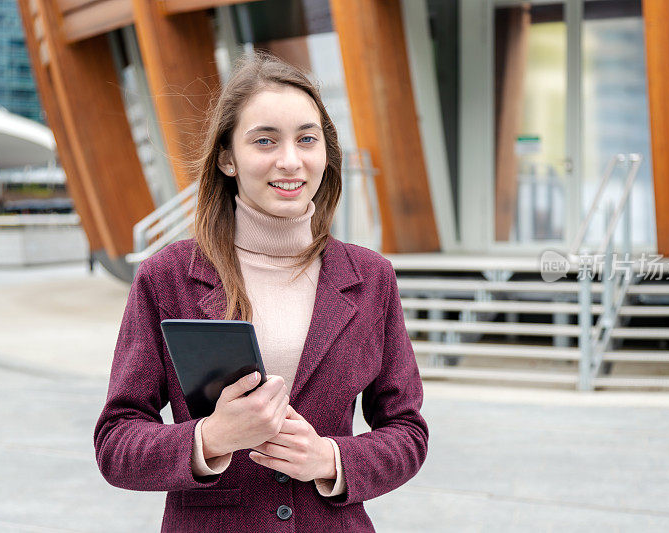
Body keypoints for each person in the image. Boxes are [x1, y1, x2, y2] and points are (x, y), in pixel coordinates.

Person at [93, 53, 428, 532]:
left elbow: (407, 432)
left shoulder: (370, 277)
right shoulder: (167, 277)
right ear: (228, 157)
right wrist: (208, 438)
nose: (290, 160)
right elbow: (115, 442)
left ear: (326, 152)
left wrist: (331, 458)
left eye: (307, 139)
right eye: (265, 140)